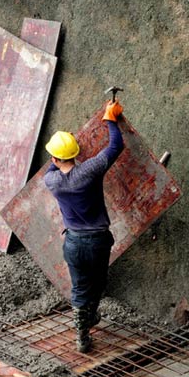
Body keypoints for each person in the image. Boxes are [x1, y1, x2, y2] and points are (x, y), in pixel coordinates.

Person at [44, 99, 124, 353]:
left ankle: (82, 332)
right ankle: (90, 315)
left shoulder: (52, 181)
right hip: (98, 241)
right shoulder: (90, 170)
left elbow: (53, 163)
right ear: (77, 154)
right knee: (98, 283)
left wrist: (60, 153)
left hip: (74, 243)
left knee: (79, 286)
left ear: (55, 158)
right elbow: (115, 146)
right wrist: (110, 119)